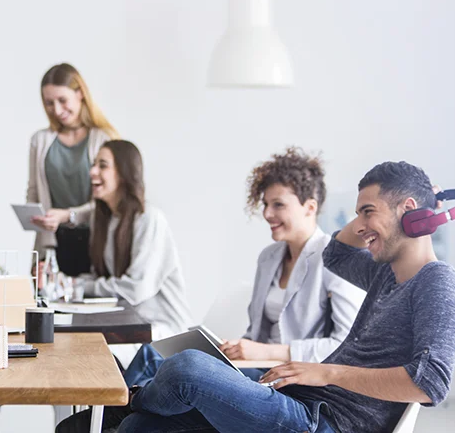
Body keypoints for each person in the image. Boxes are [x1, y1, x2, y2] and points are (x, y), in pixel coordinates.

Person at [108, 161, 455, 433]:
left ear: (407, 209)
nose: (359, 224)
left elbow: (430, 383)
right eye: (358, 212)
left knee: (187, 367)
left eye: (368, 211)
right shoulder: (386, 273)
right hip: (301, 402)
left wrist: (328, 373)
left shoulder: (436, 281)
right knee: (139, 427)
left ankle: (126, 399)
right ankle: (131, 408)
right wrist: (413, 213)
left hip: (324, 422)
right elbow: (336, 253)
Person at [123, 148, 365, 388]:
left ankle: (106, 417)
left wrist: (265, 351)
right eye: (265, 204)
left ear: (310, 208)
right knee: (153, 353)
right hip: (255, 366)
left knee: (166, 365)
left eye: (278, 204)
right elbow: (257, 334)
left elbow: (344, 346)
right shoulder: (269, 258)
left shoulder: (334, 260)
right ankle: (111, 414)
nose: (267, 213)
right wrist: (236, 348)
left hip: (288, 378)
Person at [83, 140, 191, 342]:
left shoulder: (149, 218)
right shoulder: (105, 221)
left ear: (124, 173)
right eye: (93, 164)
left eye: (103, 165)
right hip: (125, 327)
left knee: (93, 357)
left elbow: (136, 288)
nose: (92, 172)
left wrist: (80, 287)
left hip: (161, 333)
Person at [27, 63, 119, 263]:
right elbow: (33, 191)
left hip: (94, 242)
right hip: (52, 244)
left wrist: (67, 216)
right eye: (49, 103)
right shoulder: (40, 141)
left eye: (62, 100)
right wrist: (35, 217)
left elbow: (109, 199)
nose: (57, 110)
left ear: (80, 94)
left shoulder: (102, 139)